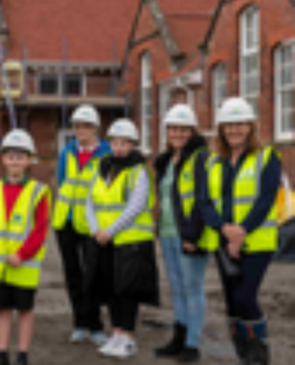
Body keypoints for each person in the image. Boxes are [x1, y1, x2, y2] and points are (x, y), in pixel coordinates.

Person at [198, 97, 281, 365]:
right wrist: (224, 230)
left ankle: (259, 352)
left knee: (245, 296)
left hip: (257, 242)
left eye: (240, 123)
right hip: (223, 242)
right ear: (222, 128)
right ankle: (243, 352)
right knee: (232, 302)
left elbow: (266, 199)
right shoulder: (212, 161)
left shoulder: (267, 157)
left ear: (250, 126)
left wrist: (241, 231)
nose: (234, 129)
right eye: (229, 124)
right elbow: (204, 202)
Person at [87, 119, 159, 360]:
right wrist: (96, 229)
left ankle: (127, 338)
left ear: (133, 145)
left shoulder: (139, 170)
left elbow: (136, 206)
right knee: (112, 289)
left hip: (131, 240)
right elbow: (90, 203)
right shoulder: (102, 168)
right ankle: (116, 334)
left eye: (124, 143)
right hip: (107, 241)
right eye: (115, 143)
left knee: (128, 290)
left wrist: (110, 231)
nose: (119, 147)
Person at [0, 129, 51, 365]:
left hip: (25, 266)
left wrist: (22, 254)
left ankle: (22, 355)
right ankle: (2, 355)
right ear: (3, 159)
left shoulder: (39, 192)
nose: (15, 161)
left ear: (29, 160)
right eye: (11, 156)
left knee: (25, 311)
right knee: (2, 310)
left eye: (21, 156)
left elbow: (40, 230)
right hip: (0, 267)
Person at [153, 104, 212, 363]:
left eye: (183, 129)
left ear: (192, 130)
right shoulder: (166, 161)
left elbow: (203, 199)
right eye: (173, 128)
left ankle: (192, 344)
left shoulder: (200, 158)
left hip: (190, 235)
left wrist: (192, 235)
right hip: (167, 234)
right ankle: (179, 336)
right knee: (176, 288)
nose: (177, 133)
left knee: (192, 288)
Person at [52, 104, 111, 345]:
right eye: (77, 126)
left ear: (95, 128)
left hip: (92, 223)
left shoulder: (107, 153)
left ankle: (95, 325)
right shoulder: (67, 152)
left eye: (86, 126)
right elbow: (61, 181)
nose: (81, 130)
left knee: (93, 275)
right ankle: (80, 323)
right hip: (66, 221)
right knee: (72, 274)